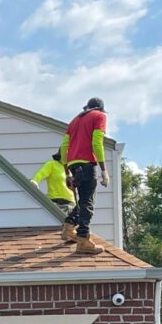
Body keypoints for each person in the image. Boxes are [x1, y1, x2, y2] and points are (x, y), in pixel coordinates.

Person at [59, 97, 110, 254]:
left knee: (83, 200)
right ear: (100, 109)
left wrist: (67, 172)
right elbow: (97, 143)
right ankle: (83, 240)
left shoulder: (74, 121)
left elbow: (64, 147)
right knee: (88, 202)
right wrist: (103, 169)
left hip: (74, 165)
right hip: (87, 163)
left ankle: (68, 228)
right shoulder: (99, 116)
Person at [31, 150, 74, 215]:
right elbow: (41, 173)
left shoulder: (71, 168)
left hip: (71, 203)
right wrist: (35, 181)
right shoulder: (52, 164)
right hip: (55, 201)